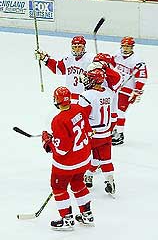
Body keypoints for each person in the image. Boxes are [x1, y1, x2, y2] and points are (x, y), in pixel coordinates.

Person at [42, 86, 94, 230]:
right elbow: (88, 131)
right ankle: (87, 214)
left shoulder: (58, 120)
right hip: (84, 159)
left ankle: (67, 219)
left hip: (67, 165)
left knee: (58, 187)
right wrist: (57, 137)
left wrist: (48, 142)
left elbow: (62, 150)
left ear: (57, 100)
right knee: (78, 184)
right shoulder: (79, 108)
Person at [78, 68, 118, 197]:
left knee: (81, 158)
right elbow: (113, 114)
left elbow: (82, 117)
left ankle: (76, 181)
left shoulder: (87, 95)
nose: (86, 80)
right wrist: (110, 129)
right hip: (106, 134)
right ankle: (108, 179)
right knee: (104, 159)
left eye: (89, 78)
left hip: (92, 134)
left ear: (94, 80)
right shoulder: (109, 92)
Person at [111, 36, 148, 145]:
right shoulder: (117, 55)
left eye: (128, 46)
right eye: (124, 46)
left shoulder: (137, 60)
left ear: (132, 47)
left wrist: (136, 91)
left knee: (120, 112)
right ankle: (113, 131)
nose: (126, 48)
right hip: (115, 86)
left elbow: (142, 77)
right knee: (113, 111)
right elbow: (111, 65)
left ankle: (119, 135)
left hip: (127, 90)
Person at [36, 36, 95, 103]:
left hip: (85, 97)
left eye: (79, 47)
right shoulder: (68, 58)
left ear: (84, 47)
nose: (77, 49)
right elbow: (58, 69)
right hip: (69, 97)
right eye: (74, 47)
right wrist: (45, 59)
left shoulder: (90, 59)